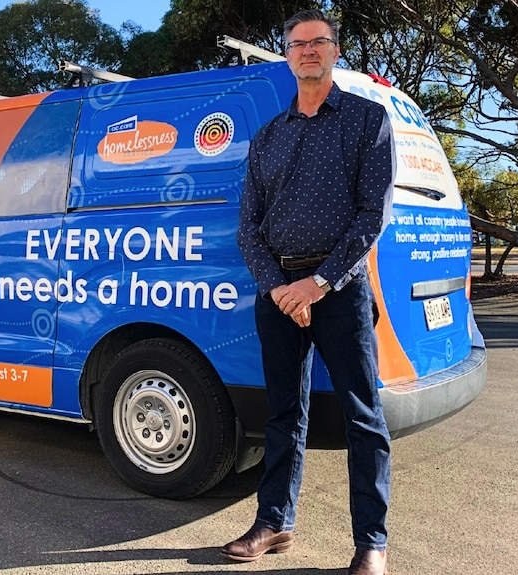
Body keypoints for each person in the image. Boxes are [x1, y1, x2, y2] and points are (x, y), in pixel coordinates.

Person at [223, 9, 394, 575]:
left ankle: (372, 542)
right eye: (297, 44)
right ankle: (274, 522)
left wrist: (317, 284)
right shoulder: (269, 136)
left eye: (318, 42)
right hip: (278, 297)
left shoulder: (367, 120)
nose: (307, 51)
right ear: (287, 56)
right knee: (282, 415)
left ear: (335, 51)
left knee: (362, 417)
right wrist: (280, 289)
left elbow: (374, 213)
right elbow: (248, 226)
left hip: (339, 290)